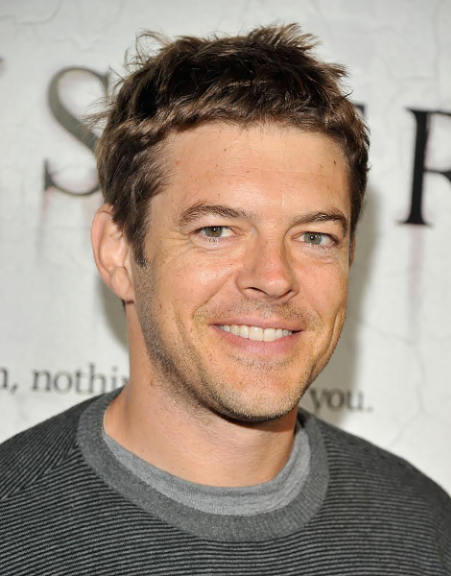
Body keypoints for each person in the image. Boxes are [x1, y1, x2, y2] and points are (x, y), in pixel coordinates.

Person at [1, 24, 450, 575]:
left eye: (314, 237)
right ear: (118, 252)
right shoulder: (12, 524)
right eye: (216, 229)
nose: (273, 277)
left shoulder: (426, 532)